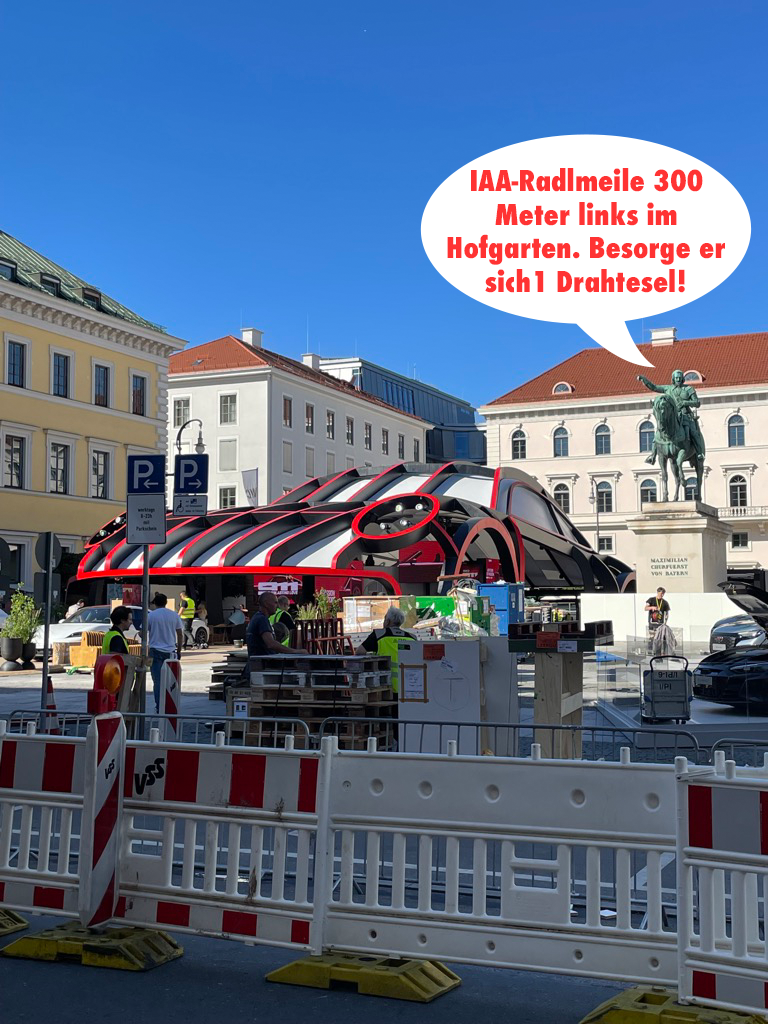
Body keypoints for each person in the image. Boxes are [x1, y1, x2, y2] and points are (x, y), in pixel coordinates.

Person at [637, 370, 706, 465]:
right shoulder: (668, 389)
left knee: (694, 433)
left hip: (686, 415)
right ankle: (653, 455)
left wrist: (685, 403)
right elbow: (654, 387)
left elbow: (697, 403)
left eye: (680, 378)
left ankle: (699, 453)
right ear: (673, 379)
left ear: (682, 379)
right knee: (659, 432)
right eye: (676, 378)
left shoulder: (689, 389)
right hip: (672, 416)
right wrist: (644, 380)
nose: (678, 379)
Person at [356, 606, 416, 694]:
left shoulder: (378, 635)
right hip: (408, 687)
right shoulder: (412, 638)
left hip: (385, 688)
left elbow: (359, 652)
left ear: (387, 621)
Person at [148, 593, 184, 712]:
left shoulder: (151, 615)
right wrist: (179, 650)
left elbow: (143, 632)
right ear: (166, 602)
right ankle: (170, 705)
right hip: (170, 652)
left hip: (155, 651)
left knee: (157, 681)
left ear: (155, 603)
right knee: (170, 680)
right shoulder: (174, 615)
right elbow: (180, 634)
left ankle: (160, 707)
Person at [246, 592, 307, 656]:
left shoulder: (258, 617)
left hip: (261, 659)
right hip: (262, 661)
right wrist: (295, 651)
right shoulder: (262, 619)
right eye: (275, 602)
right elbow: (271, 644)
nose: (277, 605)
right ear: (266, 604)